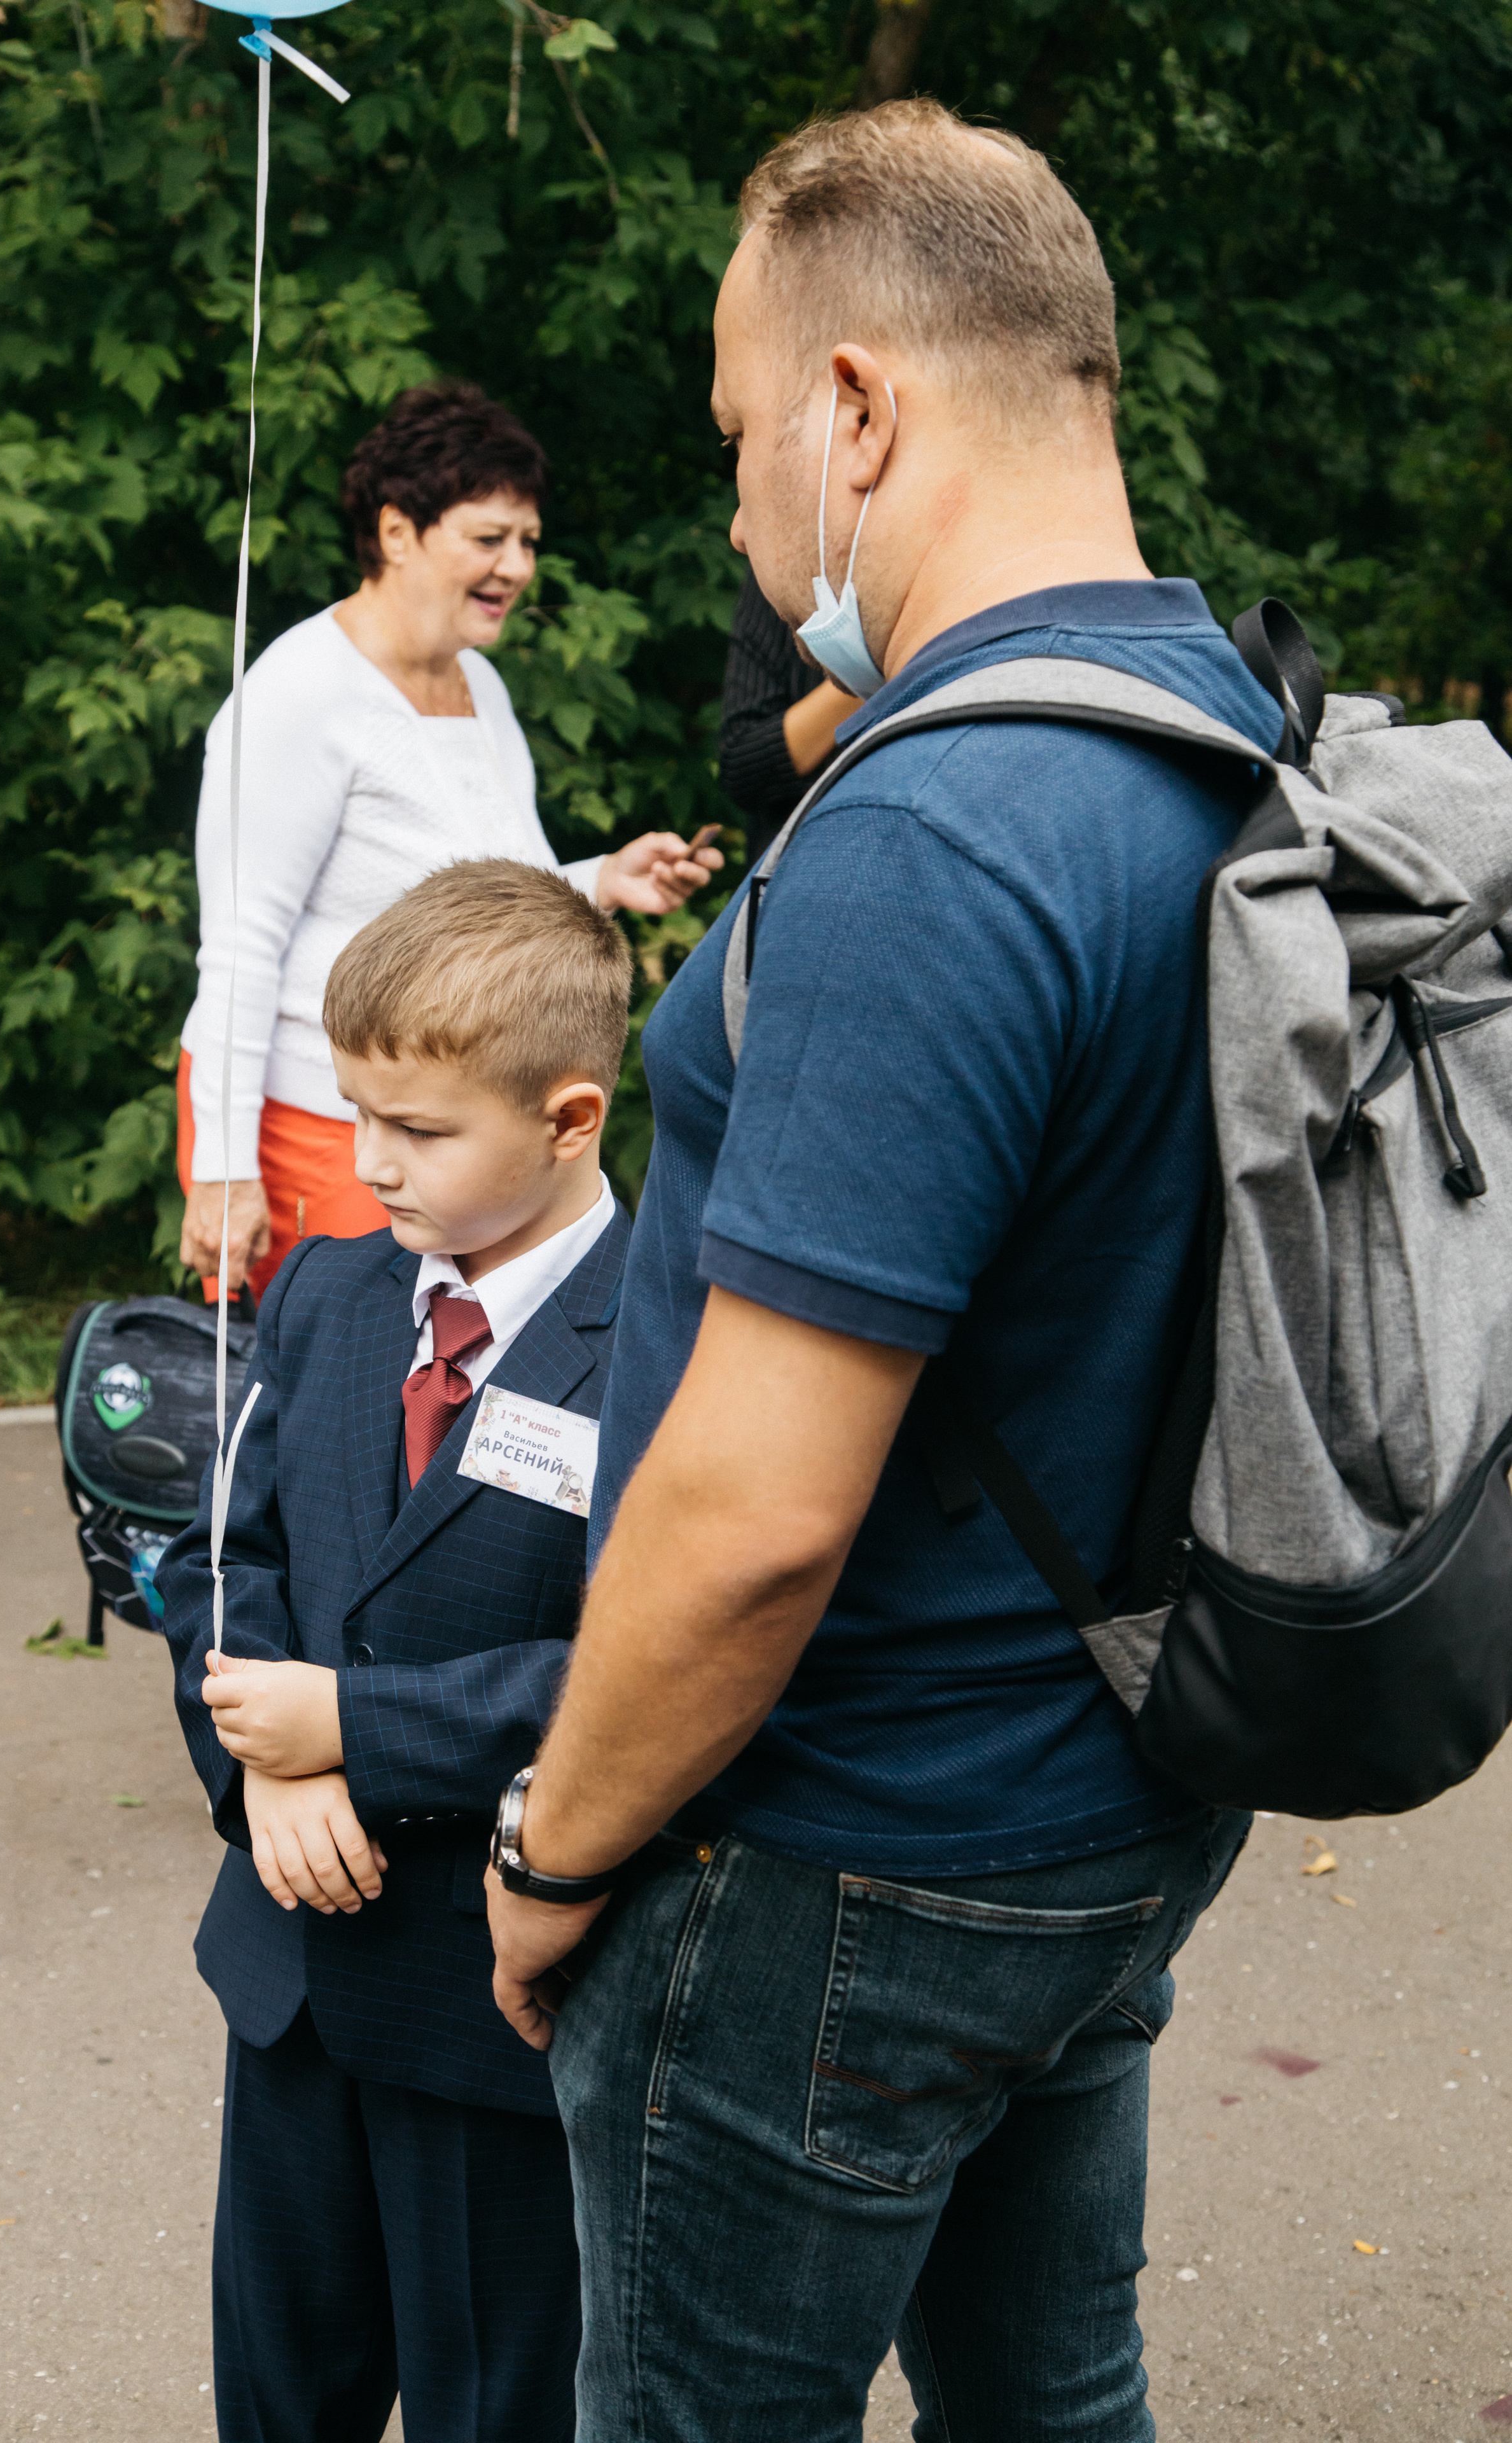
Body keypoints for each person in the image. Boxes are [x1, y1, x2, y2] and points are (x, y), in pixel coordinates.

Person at [485, 101, 1275, 2442]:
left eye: (742, 436)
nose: (743, 519)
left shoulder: (930, 827)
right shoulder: (1224, 727)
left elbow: (751, 1520)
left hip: (841, 1859)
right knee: (1056, 2396)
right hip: (1119, 1797)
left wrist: (553, 1846)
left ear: (852, 410)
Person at [157, 859, 633, 2443]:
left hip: (495, 2006)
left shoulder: (664, 1333)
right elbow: (221, 1557)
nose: (368, 1163)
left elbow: (649, 1664)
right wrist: (265, 1775)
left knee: (496, 2406)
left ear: (569, 1118)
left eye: (418, 1131)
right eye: (353, 1112)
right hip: (290, 1973)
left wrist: (352, 1726)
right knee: (276, 2395)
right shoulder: (331, 1285)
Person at [176, 378, 721, 1302]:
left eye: (528, 542)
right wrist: (225, 1170)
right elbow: (239, 948)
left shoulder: (482, 686)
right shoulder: (298, 695)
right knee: (336, 1372)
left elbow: (480, 898)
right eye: (489, 538)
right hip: (321, 1121)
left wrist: (602, 878)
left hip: (463, 1124)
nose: (517, 566)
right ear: (398, 532)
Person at [717, 565, 855, 861]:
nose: (738, 542)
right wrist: (870, 668)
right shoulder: (779, 564)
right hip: (799, 860)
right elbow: (742, 765)